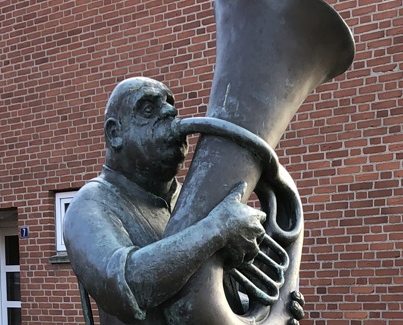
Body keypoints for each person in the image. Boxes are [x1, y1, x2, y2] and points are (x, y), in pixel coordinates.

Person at [63, 77, 275, 324]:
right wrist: (216, 229)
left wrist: (268, 304)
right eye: (148, 109)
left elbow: (206, 296)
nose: (170, 111)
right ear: (115, 134)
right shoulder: (89, 204)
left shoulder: (194, 198)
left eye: (170, 104)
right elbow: (127, 285)